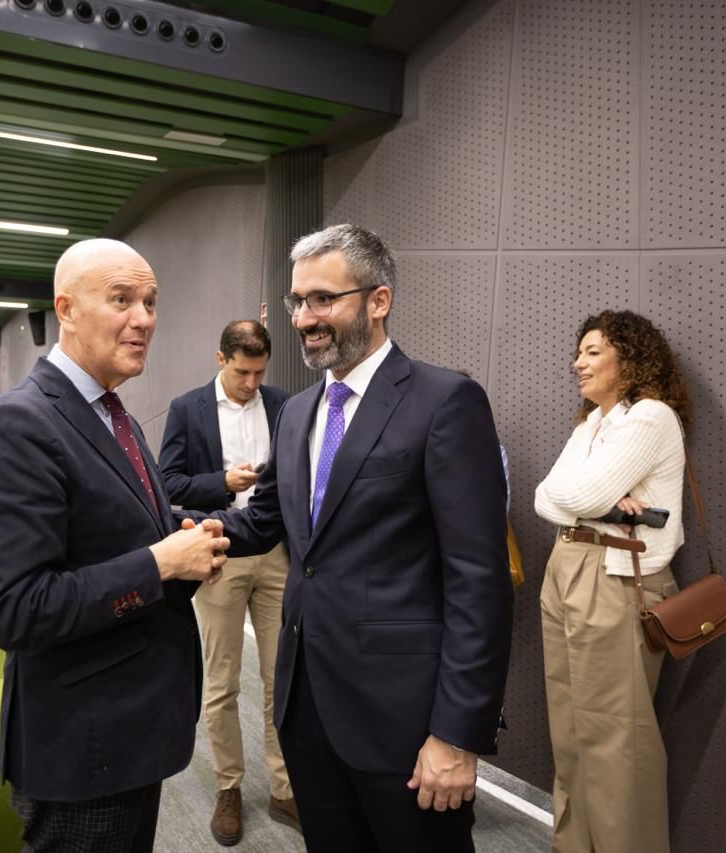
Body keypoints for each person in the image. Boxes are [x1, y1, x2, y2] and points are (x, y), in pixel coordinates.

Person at [209, 224, 513, 853]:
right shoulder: (296, 412)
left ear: (378, 301)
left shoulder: (444, 402)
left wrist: (457, 736)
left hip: (406, 726)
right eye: (297, 301)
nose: (304, 318)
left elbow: (478, 584)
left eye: (324, 298)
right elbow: (265, 522)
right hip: (309, 710)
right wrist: (179, 536)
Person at [0, 238, 230, 853]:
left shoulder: (118, 417)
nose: (144, 319)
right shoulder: (21, 424)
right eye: (121, 299)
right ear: (67, 308)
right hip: (82, 744)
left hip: (130, 728)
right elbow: (15, 608)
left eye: (150, 301)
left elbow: (122, 538)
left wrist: (187, 548)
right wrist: (159, 563)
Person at [533, 310, 691, 853]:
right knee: (571, 735)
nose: (579, 361)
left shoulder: (650, 418)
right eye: (579, 352)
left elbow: (573, 498)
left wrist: (588, 501)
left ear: (630, 357)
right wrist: (597, 502)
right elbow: (543, 497)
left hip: (617, 577)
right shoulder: (592, 423)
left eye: (594, 351)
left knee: (617, 741)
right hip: (568, 567)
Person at [158, 320, 298, 844]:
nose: (251, 383)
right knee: (222, 682)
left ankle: (285, 788)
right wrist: (222, 483)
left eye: (260, 372)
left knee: (280, 677)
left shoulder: (283, 404)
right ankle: (230, 787)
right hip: (217, 553)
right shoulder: (186, 409)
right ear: (221, 360)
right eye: (242, 372)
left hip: (278, 555)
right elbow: (167, 481)